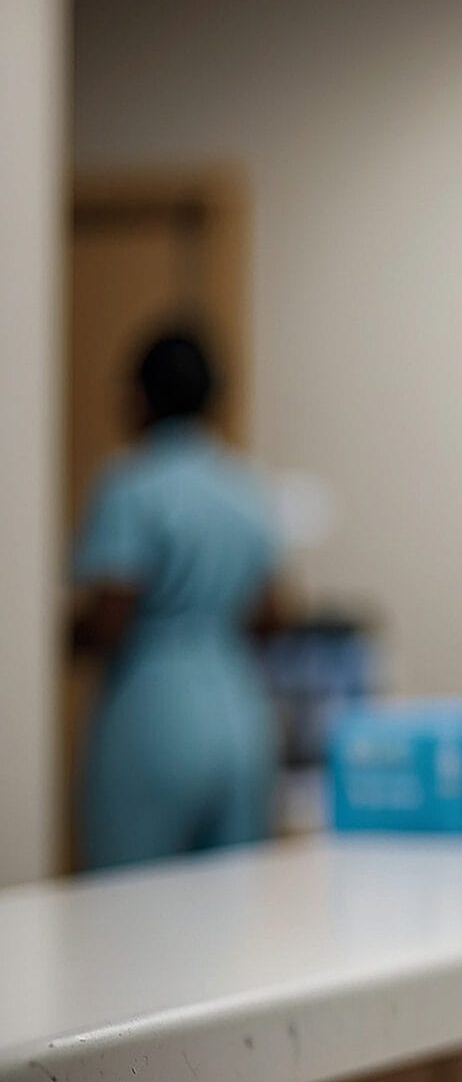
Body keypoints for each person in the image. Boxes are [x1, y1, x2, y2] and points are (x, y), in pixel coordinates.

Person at [67, 326, 283, 871]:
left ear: (138, 397)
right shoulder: (245, 487)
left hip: (155, 714)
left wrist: (64, 633)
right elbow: (274, 614)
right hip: (240, 713)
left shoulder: (131, 486)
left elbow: (111, 613)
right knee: (232, 917)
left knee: (130, 914)